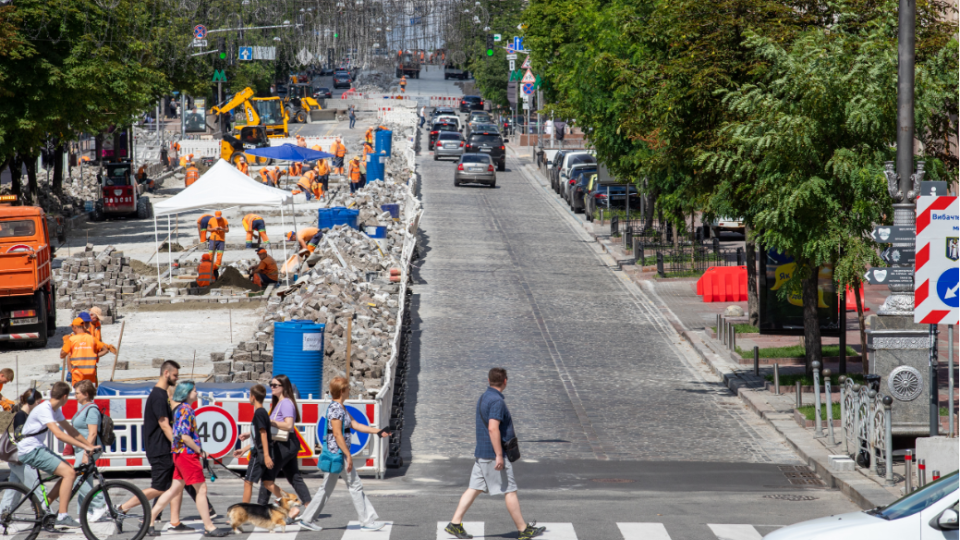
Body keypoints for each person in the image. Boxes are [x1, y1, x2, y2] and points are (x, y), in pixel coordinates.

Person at [444, 368, 544, 540]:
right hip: (492, 455)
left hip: (482, 452)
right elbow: (493, 428)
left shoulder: (484, 397)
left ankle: (454, 523)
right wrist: (499, 455)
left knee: (474, 488)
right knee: (510, 490)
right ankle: (523, 529)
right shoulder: (497, 402)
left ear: (488, 380)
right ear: (505, 381)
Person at [119, 361, 215, 528]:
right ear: (166, 374)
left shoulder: (162, 395)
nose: (176, 379)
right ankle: (122, 508)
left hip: (165, 448)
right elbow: (164, 425)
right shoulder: (158, 396)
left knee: (176, 485)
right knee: (159, 488)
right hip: (159, 449)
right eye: (175, 375)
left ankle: (174, 521)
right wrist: (179, 446)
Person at [297, 377, 390, 532]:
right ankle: (366, 521)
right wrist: (348, 455)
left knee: (326, 488)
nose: (349, 391)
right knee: (355, 485)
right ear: (341, 391)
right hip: (338, 454)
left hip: (338, 454)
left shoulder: (340, 407)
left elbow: (356, 425)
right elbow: (337, 434)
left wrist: (379, 431)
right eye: (347, 389)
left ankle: (307, 519)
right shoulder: (335, 409)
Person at [147, 381, 229, 537]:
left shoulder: (178, 409)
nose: (197, 393)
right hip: (187, 455)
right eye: (194, 391)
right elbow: (185, 436)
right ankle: (209, 526)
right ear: (186, 393)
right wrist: (200, 451)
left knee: (174, 489)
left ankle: (150, 519)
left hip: (179, 453)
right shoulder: (187, 410)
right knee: (201, 489)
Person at [16, 381, 99, 529]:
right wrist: (84, 446)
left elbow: (71, 431)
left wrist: (89, 445)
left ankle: (43, 505)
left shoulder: (55, 409)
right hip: (30, 450)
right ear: (65, 397)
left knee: (69, 473)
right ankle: (62, 515)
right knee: (69, 473)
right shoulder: (45, 409)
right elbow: (59, 434)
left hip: (36, 448)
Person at [255, 375, 311, 515]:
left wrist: (270, 422)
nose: (272, 387)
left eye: (275, 385)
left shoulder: (286, 403)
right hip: (287, 444)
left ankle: (260, 508)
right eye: (271, 384)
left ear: (284, 387)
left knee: (268, 475)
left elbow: (289, 425)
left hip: (284, 444)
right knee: (294, 477)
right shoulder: (279, 403)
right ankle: (310, 506)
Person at [0, 389, 49, 516]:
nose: (39, 405)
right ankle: (48, 515)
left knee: (13, 493)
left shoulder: (27, 415)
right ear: (32, 401)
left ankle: (3, 518)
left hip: (19, 460)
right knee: (37, 488)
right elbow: (20, 436)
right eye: (38, 402)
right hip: (21, 460)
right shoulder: (21, 415)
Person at [72, 380, 106, 520]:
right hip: (81, 449)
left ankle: (100, 504)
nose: (75, 396)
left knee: (76, 477)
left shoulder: (91, 409)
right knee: (86, 480)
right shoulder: (84, 407)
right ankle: (85, 513)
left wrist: (87, 452)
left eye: (77, 393)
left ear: (86, 394)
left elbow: (92, 433)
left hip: (88, 449)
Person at [233, 384, 272, 503]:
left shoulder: (259, 413)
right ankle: (289, 501)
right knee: (268, 483)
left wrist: (266, 455)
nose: (249, 397)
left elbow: (264, 434)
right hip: (259, 451)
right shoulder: (263, 412)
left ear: (253, 397)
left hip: (258, 454)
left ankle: (243, 512)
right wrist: (244, 449)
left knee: (248, 482)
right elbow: (258, 438)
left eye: (249, 395)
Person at [61, 317, 115, 387]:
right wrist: (95, 355)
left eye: (72, 327)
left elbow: (62, 355)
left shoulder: (71, 339)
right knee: (90, 394)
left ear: (74, 327)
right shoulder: (92, 338)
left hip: (77, 375)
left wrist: (65, 343)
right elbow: (105, 350)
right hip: (90, 374)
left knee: (79, 393)